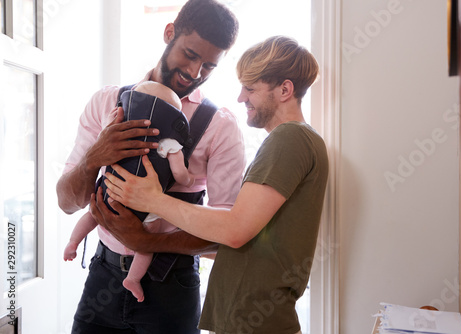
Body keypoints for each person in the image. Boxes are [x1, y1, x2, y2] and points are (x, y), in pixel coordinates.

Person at [93, 36, 329, 334]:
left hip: (257, 321)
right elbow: (246, 234)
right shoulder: (296, 141)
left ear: (285, 90)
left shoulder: (289, 139)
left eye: (251, 88)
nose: (241, 97)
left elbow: (234, 229)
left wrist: (154, 200)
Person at [56, 0, 245, 333]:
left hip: (173, 288)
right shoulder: (106, 102)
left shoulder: (221, 127)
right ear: (169, 33)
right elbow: (67, 202)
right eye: (190, 54)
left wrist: (148, 241)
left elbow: (227, 237)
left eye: (209, 66)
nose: (194, 73)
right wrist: (94, 157)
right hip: (102, 276)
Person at [64, 81, 195, 303]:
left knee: (92, 215)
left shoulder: (115, 127)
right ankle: (133, 279)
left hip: (109, 192)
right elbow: (181, 175)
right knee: (147, 241)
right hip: (144, 208)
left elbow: (101, 140)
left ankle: (73, 243)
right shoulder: (169, 143)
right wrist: (188, 179)